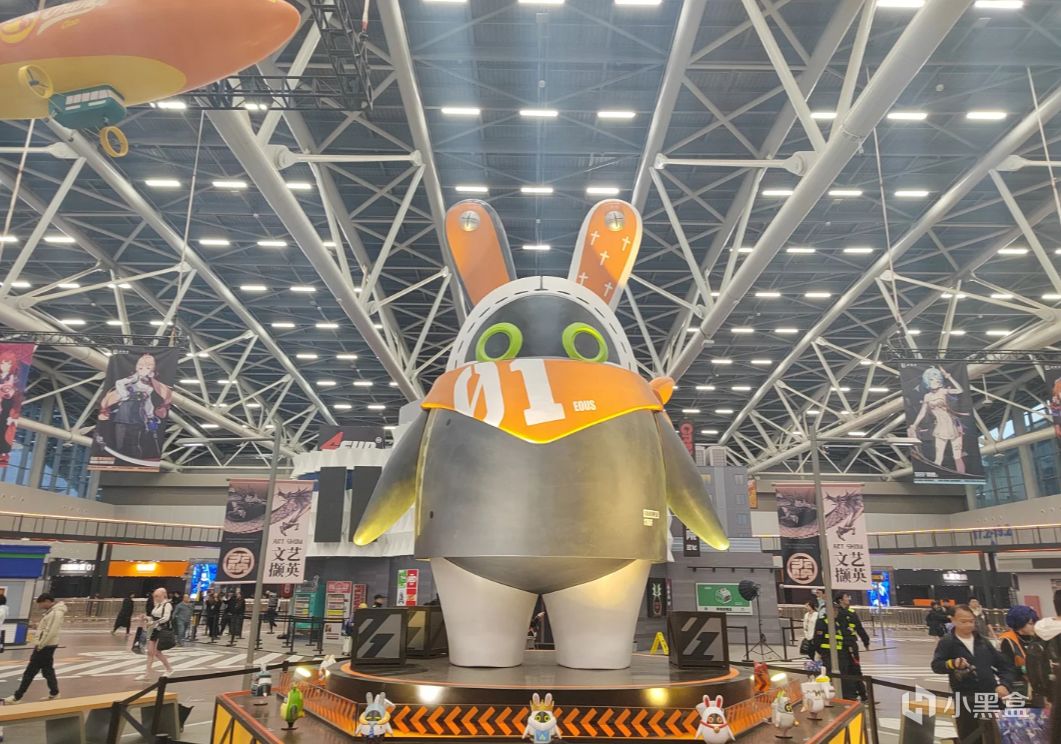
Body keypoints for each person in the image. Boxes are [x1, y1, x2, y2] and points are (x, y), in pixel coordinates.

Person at [931, 604, 1015, 744]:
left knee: (995, 736)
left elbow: (1005, 665)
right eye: (963, 621)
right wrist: (952, 663)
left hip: (990, 696)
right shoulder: (948, 642)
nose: (969, 625)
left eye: (971, 621)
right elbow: (936, 665)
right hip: (965, 699)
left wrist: (1004, 684)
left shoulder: (983, 642)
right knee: (970, 737)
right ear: (953, 620)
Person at [96, 353, 172, 465]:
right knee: (120, 440)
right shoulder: (134, 378)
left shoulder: (150, 387)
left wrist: (150, 416)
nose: (144, 369)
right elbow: (119, 383)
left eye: (148, 367)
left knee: (134, 442)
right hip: (124, 413)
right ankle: (120, 459)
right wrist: (125, 395)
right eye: (141, 367)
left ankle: (134, 460)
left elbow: (148, 402)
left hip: (138, 416)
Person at [4, 594, 66, 703]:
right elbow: (47, 629)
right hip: (48, 645)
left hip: (45, 646)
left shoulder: (55, 613)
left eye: (41, 604)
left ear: (47, 601)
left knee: (30, 672)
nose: (40, 606)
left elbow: (51, 631)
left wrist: (41, 645)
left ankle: (17, 697)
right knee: (47, 671)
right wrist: (38, 628)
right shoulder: (52, 612)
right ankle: (54, 693)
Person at [908, 366, 968, 474]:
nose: (935, 381)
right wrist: (915, 425)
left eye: (937, 379)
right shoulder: (927, 396)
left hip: (953, 426)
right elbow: (922, 412)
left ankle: (963, 475)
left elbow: (960, 390)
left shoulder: (943, 391)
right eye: (931, 379)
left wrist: (949, 377)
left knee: (957, 456)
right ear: (927, 381)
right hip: (940, 427)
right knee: (938, 457)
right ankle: (935, 476)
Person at [813, 598, 860, 701]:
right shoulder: (822, 622)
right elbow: (817, 641)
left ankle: (848, 696)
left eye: (836, 610)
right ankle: (834, 696)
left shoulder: (837, 623)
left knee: (844, 675)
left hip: (841, 654)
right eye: (834, 610)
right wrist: (823, 652)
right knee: (832, 676)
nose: (836, 612)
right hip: (828, 655)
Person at [998, 605, 1041, 702]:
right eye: (1030, 623)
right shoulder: (1007, 641)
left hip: (1038, 688)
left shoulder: (1036, 638)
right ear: (1020, 624)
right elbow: (1007, 668)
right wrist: (1024, 669)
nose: (1034, 626)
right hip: (1019, 690)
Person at [835, 593, 871, 701]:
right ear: (840, 600)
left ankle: (863, 694)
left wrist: (866, 641)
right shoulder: (836, 612)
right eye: (846, 597)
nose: (848, 599)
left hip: (851, 644)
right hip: (841, 646)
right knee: (845, 670)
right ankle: (850, 695)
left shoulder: (851, 612)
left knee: (856, 669)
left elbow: (859, 628)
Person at [138, 588, 173, 680]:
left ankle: (169, 669)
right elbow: (153, 617)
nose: (155, 598)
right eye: (154, 596)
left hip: (162, 630)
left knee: (157, 652)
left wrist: (153, 623)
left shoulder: (167, 604)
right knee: (150, 652)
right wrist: (146, 617)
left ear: (163, 595)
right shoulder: (157, 605)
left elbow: (166, 618)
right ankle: (147, 673)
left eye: (157, 596)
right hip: (155, 630)